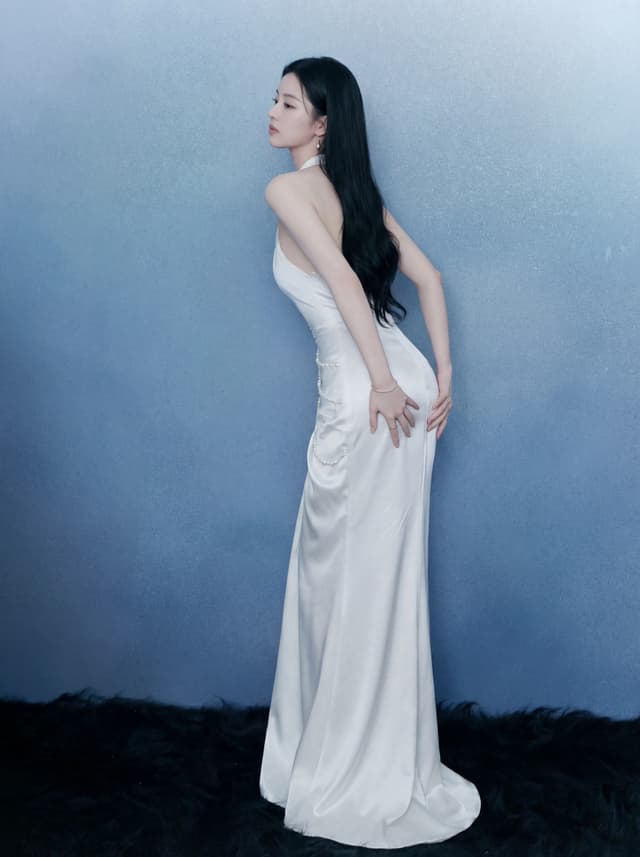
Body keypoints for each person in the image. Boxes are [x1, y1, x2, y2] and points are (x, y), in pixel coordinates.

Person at [258, 56, 481, 849]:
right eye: (276, 98)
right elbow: (430, 277)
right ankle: (365, 751)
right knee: (379, 573)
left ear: (321, 123)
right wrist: (440, 373)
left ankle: (346, 762)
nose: (272, 110)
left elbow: (349, 289)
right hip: (402, 386)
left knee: (345, 576)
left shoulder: (286, 190)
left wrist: (385, 384)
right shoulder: (353, 191)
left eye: (289, 102)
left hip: (372, 399)